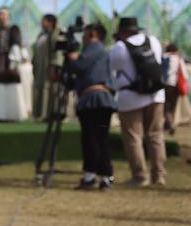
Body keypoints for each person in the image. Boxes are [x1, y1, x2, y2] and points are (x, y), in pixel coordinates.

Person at [111, 17, 166, 187]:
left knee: (133, 137)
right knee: (156, 135)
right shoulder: (154, 41)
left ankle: (140, 176)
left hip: (130, 96)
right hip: (156, 94)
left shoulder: (119, 47)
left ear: (122, 32)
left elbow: (112, 68)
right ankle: (159, 176)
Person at [66, 23, 115, 191]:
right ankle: (104, 177)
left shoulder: (94, 48)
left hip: (93, 100)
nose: (83, 38)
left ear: (93, 34)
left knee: (91, 139)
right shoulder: (103, 50)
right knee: (100, 139)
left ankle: (92, 177)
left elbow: (79, 66)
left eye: (85, 34)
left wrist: (72, 57)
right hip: (103, 100)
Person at [0, 7, 25, 122]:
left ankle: (12, 115)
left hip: (9, 61)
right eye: (0, 14)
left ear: (8, 16)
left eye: (4, 14)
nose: (1, 16)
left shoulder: (14, 29)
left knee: (11, 86)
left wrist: (13, 62)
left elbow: (15, 45)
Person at [31, 14, 59, 120]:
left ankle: (47, 114)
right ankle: (37, 113)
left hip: (48, 67)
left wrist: (53, 66)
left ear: (50, 22)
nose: (42, 23)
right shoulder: (41, 35)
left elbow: (55, 53)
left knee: (47, 90)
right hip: (39, 67)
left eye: (44, 21)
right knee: (38, 89)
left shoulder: (55, 34)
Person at [164, 43, 186, 135]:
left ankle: (168, 125)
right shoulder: (179, 59)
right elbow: (184, 74)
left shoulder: (164, 57)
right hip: (175, 86)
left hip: (164, 85)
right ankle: (170, 124)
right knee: (172, 107)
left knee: (165, 107)